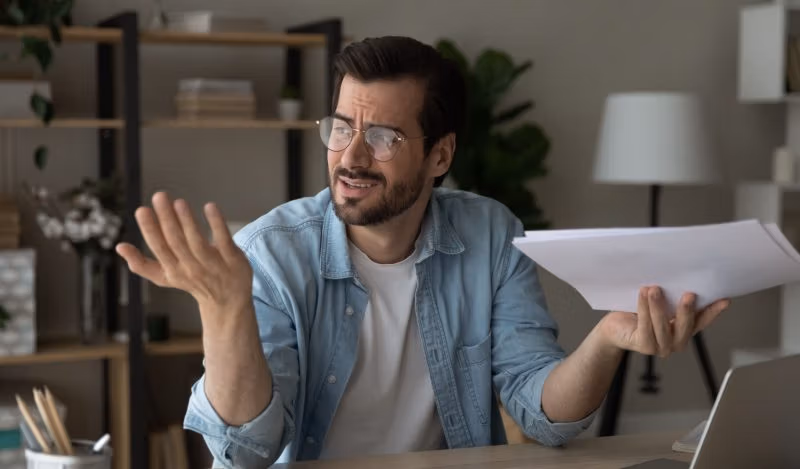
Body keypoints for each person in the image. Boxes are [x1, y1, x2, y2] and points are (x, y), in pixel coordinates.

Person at [115, 36, 730, 469]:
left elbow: (541, 416)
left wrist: (608, 338)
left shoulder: (490, 235)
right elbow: (244, 452)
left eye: (383, 137)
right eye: (341, 128)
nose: (351, 157)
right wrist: (225, 312)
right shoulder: (271, 254)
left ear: (440, 155)